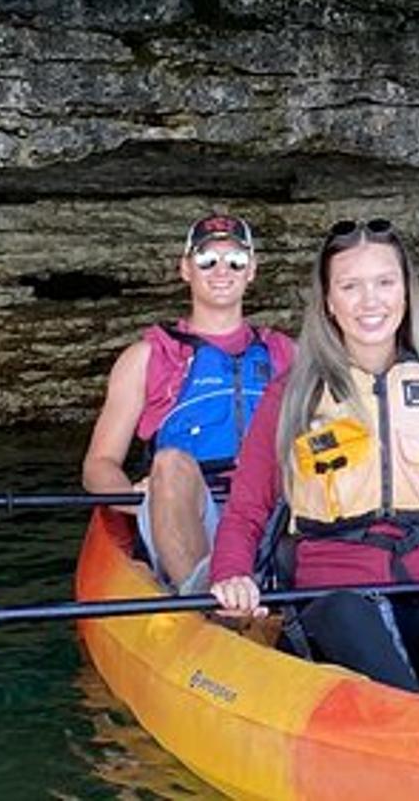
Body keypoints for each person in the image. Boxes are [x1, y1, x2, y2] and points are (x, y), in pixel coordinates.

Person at [209, 218, 419, 715]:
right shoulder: (291, 396)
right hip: (334, 621)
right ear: (328, 301)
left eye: (385, 282)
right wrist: (233, 575)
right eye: (351, 286)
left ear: (406, 291)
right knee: (346, 608)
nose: (371, 301)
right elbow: (246, 511)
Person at [81, 213, 298, 590]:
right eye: (207, 260)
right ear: (186, 269)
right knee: (171, 464)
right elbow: (99, 464)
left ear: (251, 271)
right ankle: (205, 599)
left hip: (271, 507)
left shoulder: (285, 354)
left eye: (235, 261)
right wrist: (140, 504)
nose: (221, 271)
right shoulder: (147, 357)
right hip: (192, 508)